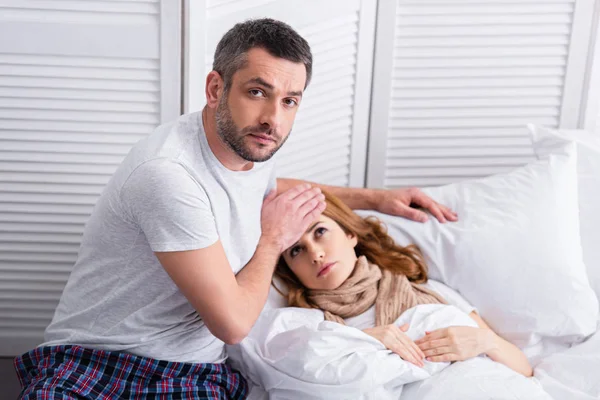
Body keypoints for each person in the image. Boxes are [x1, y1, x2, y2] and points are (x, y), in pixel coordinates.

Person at [14, 19, 457, 399]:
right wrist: (273, 240)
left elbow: (265, 185)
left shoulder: (247, 147)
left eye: (290, 100)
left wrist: (374, 197)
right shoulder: (167, 176)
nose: (274, 119)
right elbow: (232, 325)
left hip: (193, 371)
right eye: (258, 92)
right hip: (101, 357)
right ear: (215, 88)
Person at [274, 190, 533, 377]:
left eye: (320, 232)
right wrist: (360, 340)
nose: (315, 254)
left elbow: (524, 368)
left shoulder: (426, 290)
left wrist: (486, 341)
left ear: (350, 234)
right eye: (296, 250)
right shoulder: (311, 328)